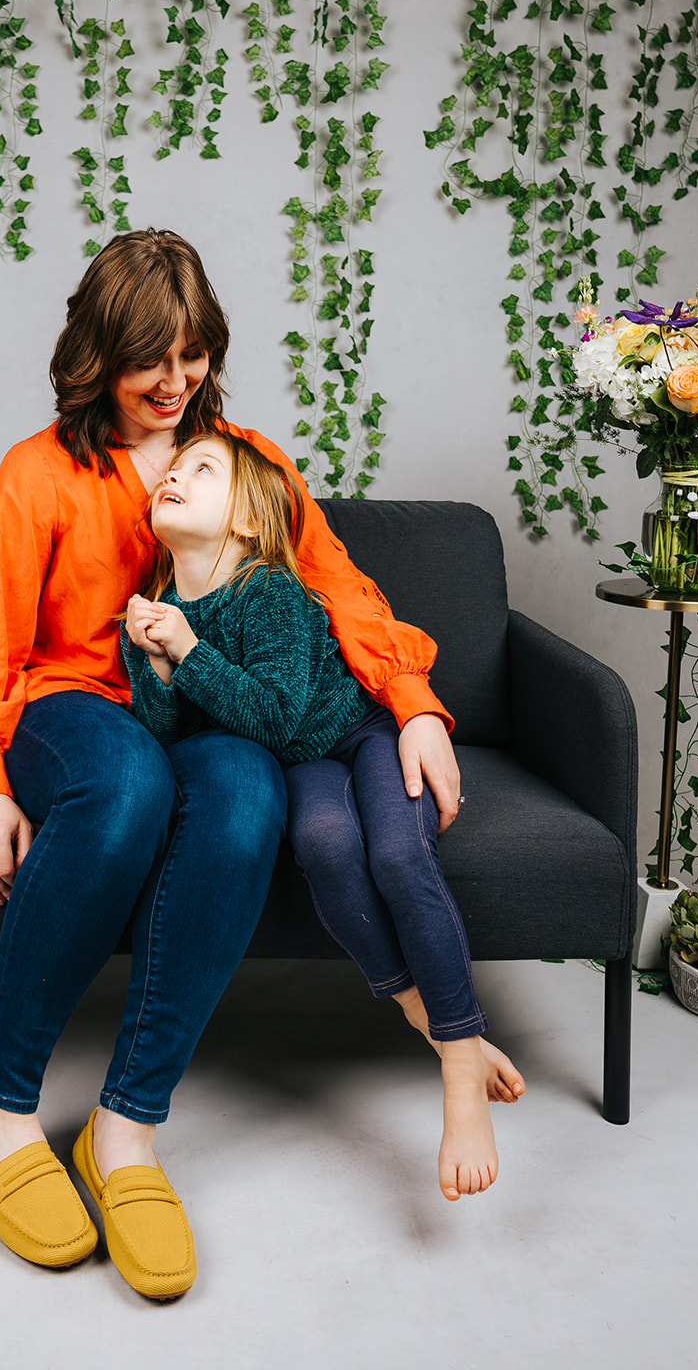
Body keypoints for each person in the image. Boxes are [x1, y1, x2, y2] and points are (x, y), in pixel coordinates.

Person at [0, 229, 465, 1298]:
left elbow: (337, 590)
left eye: (194, 351)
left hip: (202, 698)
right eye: (148, 356)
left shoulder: (246, 462)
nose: (174, 380)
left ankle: (126, 1127)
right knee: (128, 786)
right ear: (95, 353)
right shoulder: (37, 474)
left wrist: (417, 706)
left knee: (248, 791)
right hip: (72, 702)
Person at [122, 429, 525, 1202]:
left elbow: (272, 716)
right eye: (169, 471)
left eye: (199, 470)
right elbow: (169, 736)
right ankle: (422, 1011)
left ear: (244, 519)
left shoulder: (267, 590)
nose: (172, 477)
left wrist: (192, 649)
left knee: (399, 858)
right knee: (322, 844)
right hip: (303, 765)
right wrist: (158, 663)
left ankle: (458, 1066)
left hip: (361, 731)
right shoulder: (155, 611)